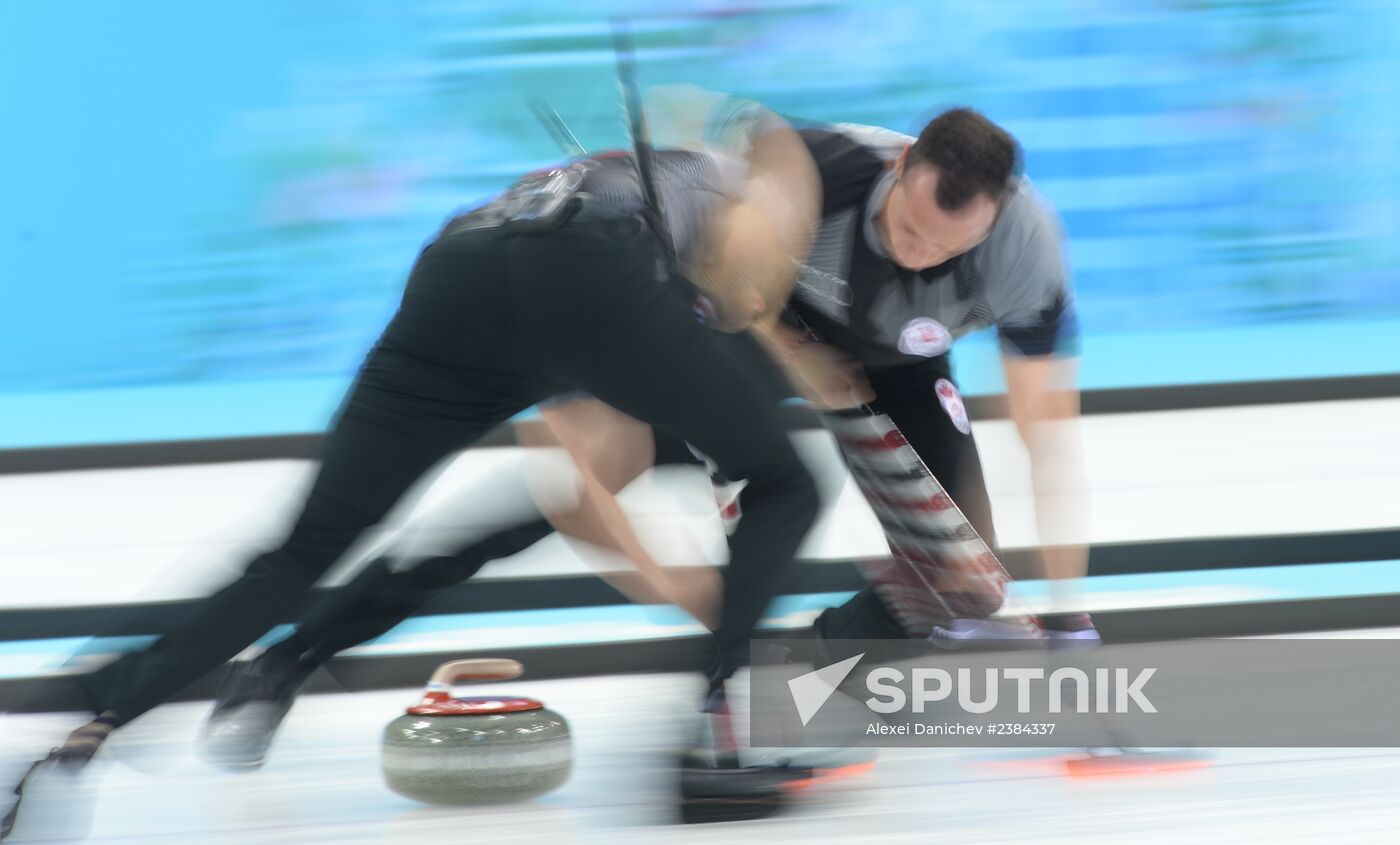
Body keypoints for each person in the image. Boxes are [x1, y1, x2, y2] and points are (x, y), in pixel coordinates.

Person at [1, 104, 826, 841]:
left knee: (298, 554)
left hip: (454, 274)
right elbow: (599, 468)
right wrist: (706, 596)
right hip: (580, 274)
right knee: (788, 481)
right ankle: (718, 743)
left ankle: (96, 709)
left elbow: (593, 462)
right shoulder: (721, 200)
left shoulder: (614, 178)